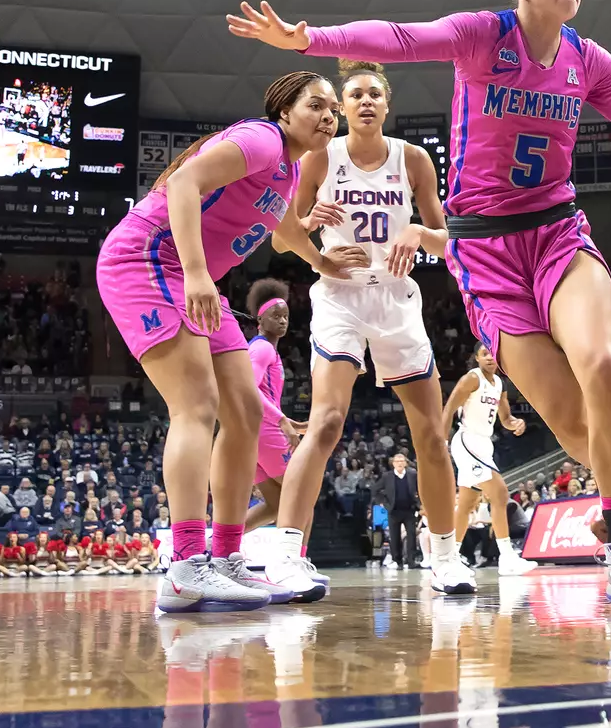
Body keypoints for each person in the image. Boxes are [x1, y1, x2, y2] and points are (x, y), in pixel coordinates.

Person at [228, 0, 611, 612]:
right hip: (485, 254)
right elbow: (398, 39)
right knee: (576, 430)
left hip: (557, 234)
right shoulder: (484, 37)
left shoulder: (587, 59)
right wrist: (310, 39)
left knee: (604, 363)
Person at [95, 72, 359, 614]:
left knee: (244, 413)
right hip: (146, 259)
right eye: (316, 105)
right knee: (197, 406)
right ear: (284, 111)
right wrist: (196, 273)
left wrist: (322, 260)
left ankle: (227, 558)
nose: (329, 117)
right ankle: (186, 566)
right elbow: (185, 184)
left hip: (188, 275)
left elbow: (284, 233)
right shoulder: (260, 139)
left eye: (334, 110)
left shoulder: (288, 169)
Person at [237, 61, 465, 598]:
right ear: (344, 106)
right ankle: (287, 556)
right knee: (328, 421)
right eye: (355, 95)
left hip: (396, 300)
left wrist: (417, 230)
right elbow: (280, 236)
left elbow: (447, 241)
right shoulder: (319, 156)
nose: (365, 102)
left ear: (387, 105)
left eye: (374, 95)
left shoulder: (413, 160)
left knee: (431, 434)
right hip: (340, 296)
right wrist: (315, 241)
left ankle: (446, 557)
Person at [240, 281, 312, 595]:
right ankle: (293, 562)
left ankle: (214, 545)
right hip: (265, 431)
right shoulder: (261, 348)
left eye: (286, 316)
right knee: (303, 494)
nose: (283, 321)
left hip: (254, 433)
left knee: (274, 505)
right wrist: (282, 420)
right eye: (276, 316)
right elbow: (250, 390)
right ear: (260, 319)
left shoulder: (264, 348)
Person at [441, 344, 536, 576]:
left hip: (484, 444)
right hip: (467, 441)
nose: (490, 357)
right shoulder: (472, 379)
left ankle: (449, 556)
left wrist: (516, 423)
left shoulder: (500, 384)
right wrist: (442, 443)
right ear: (477, 358)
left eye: (493, 352)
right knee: (500, 493)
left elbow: (505, 418)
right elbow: (449, 408)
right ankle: (507, 558)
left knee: (466, 504)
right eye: (485, 354)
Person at [372, 452, 420, 570]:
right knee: (395, 537)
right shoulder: (387, 476)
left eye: (402, 461)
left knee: (411, 535)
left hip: (409, 510)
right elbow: (375, 489)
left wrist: (419, 503)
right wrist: (382, 503)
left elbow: (421, 488)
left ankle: (411, 560)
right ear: (393, 463)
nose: (399, 463)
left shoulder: (413, 474)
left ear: (405, 463)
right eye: (397, 461)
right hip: (393, 511)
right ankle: (397, 561)